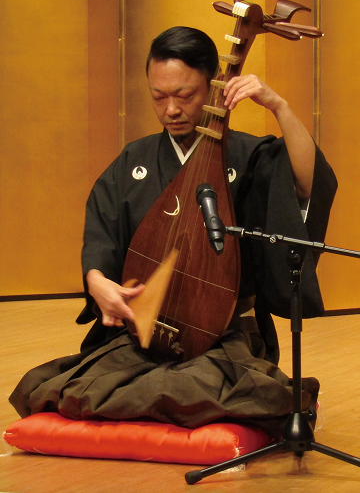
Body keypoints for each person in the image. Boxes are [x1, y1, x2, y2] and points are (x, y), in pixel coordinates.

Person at [10, 27, 337, 436]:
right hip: (144, 334)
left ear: (214, 86)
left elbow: (309, 183)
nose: (170, 110)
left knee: (191, 386)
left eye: (184, 96)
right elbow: (101, 236)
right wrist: (98, 283)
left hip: (223, 334)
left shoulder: (246, 155)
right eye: (158, 96)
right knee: (59, 388)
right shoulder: (134, 160)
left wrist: (278, 105)